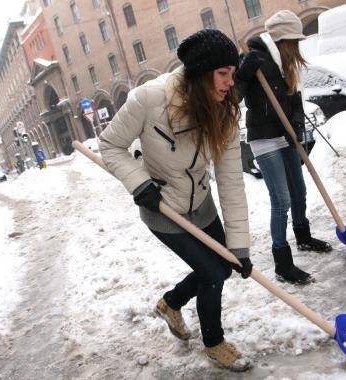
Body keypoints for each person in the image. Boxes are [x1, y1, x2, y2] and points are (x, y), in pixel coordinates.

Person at [99, 29, 253, 372]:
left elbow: (230, 180)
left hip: (201, 202)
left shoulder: (224, 111)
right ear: (201, 74)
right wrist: (140, 185)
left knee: (224, 265)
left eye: (233, 72)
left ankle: (171, 303)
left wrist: (239, 246)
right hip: (162, 206)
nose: (231, 82)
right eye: (222, 74)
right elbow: (109, 145)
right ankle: (214, 344)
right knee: (213, 273)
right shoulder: (148, 99)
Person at [235, 10, 332, 285]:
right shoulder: (254, 60)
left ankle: (303, 236)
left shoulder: (286, 64)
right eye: (294, 40)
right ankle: (282, 261)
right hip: (264, 138)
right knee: (282, 200)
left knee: (299, 191)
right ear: (283, 39)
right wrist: (242, 75)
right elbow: (233, 97)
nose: (298, 46)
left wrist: (297, 124)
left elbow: (296, 101)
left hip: (286, 135)